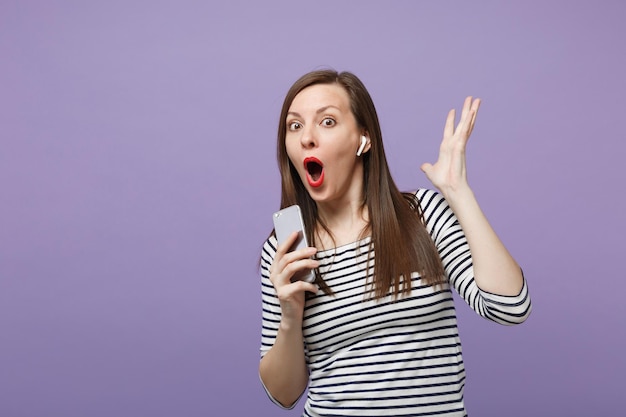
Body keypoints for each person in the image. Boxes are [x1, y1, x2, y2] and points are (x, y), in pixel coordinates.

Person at [258, 69, 531, 416]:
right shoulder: (285, 250)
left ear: (363, 139)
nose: (306, 138)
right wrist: (290, 315)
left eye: (327, 121)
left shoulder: (422, 216)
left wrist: (458, 193)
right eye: (295, 126)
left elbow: (511, 307)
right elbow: (283, 395)